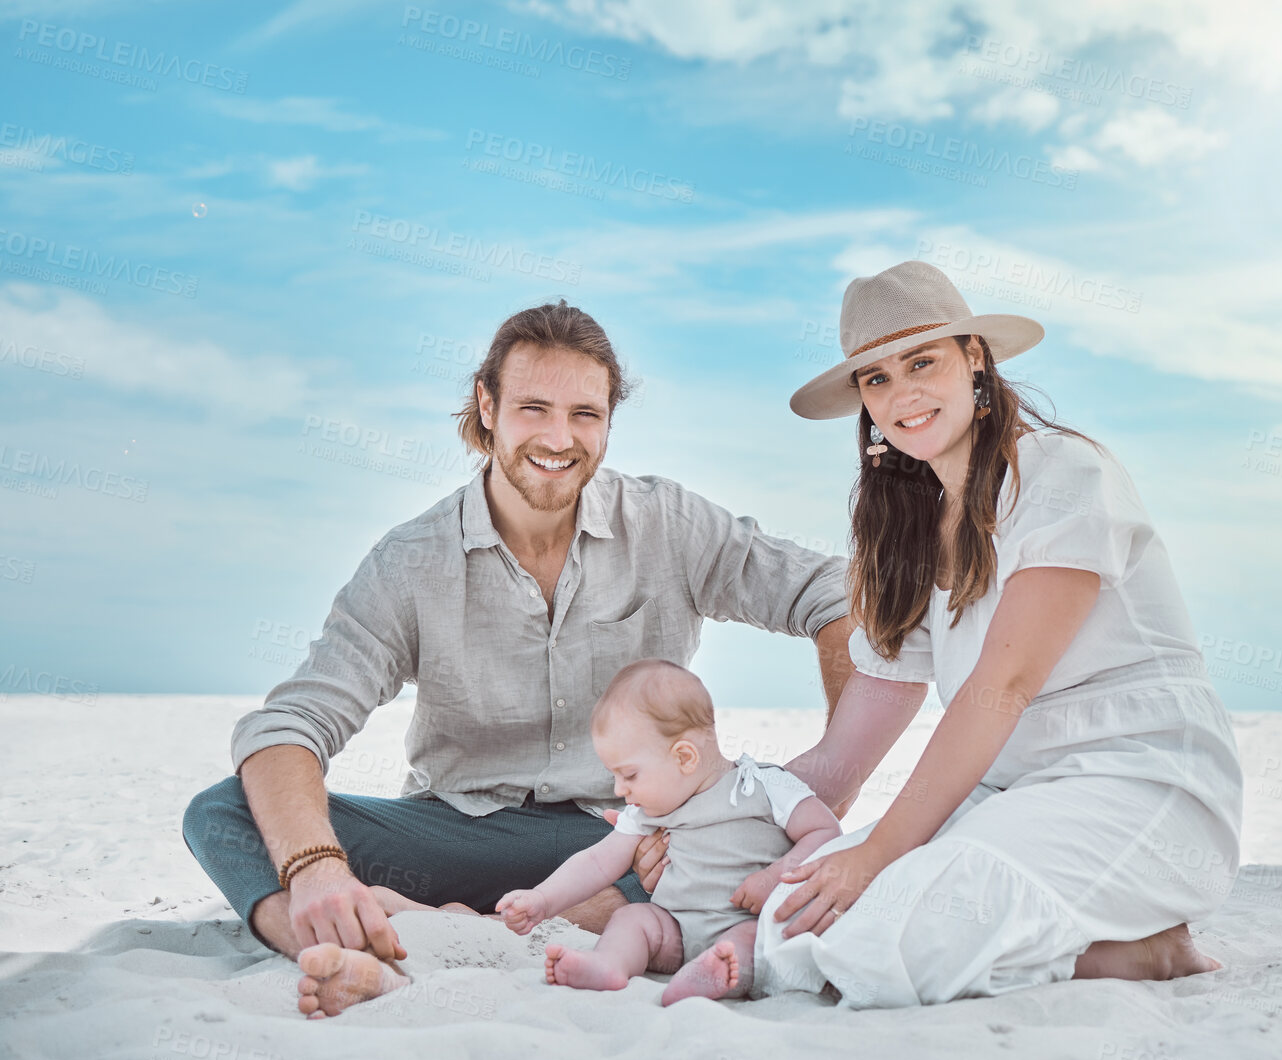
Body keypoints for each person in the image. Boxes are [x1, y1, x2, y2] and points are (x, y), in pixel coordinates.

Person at [177, 300, 859, 1019]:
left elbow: (836, 597)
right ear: (488, 405)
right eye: (533, 408)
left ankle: (427, 932)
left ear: (608, 420)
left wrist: (828, 780)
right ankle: (339, 940)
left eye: (585, 415)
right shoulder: (411, 562)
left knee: (700, 864)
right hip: (453, 831)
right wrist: (314, 869)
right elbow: (291, 723)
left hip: (622, 840)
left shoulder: (668, 526)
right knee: (222, 812)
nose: (559, 438)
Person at [752, 260, 1245, 1009]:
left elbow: (1000, 688)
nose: (902, 395)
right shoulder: (906, 532)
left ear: (974, 359)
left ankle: (1138, 953)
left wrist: (882, 852)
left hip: (1139, 785)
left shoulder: (1062, 474)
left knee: (894, 925)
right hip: (1010, 796)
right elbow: (845, 752)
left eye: (922, 362)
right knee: (788, 913)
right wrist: (730, 827)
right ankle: (1108, 945)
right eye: (877, 379)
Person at [496, 659, 842, 1005]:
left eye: (629, 775)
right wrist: (543, 898)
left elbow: (825, 830)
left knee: (749, 941)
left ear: (685, 757)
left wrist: (775, 876)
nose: (619, 789)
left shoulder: (764, 786)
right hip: (674, 930)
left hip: (748, 922)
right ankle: (608, 964)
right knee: (633, 918)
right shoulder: (649, 810)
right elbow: (597, 862)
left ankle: (712, 975)